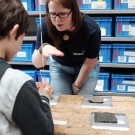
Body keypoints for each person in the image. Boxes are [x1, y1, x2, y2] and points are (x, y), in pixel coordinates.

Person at [0, 0, 54, 135]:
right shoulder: (15, 82)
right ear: (14, 32)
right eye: (22, 38)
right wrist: (43, 96)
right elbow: (44, 131)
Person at [32, 0, 101, 96]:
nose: (57, 20)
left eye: (63, 14)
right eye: (52, 14)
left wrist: (77, 85)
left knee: (81, 102)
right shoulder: (45, 25)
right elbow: (37, 64)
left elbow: (90, 61)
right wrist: (42, 49)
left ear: (74, 11)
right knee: (62, 102)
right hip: (60, 67)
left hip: (86, 67)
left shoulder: (91, 29)